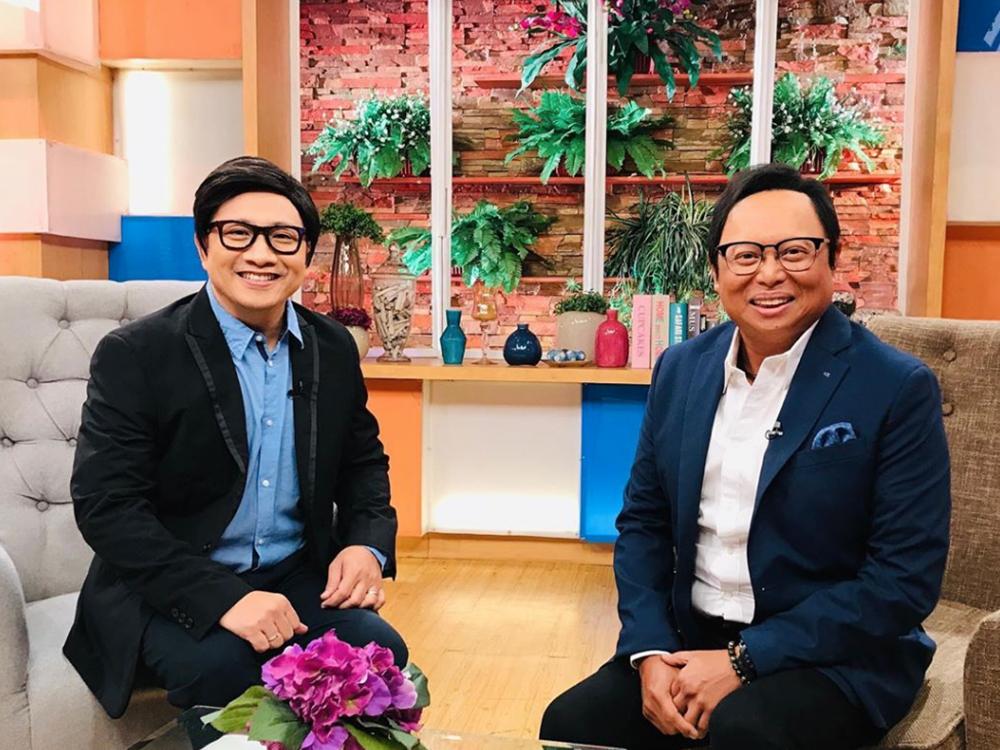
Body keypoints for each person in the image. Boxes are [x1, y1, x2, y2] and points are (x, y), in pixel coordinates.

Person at [540, 163, 950, 750]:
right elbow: (643, 525)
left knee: (745, 731)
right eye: (747, 255)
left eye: (795, 251)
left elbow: (902, 581)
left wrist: (744, 660)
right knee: (572, 724)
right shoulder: (680, 369)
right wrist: (649, 650)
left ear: (832, 259)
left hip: (833, 655)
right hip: (691, 640)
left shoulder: (895, 386)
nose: (771, 273)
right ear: (717, 270)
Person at [64, 156, 407, 718]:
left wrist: (365, 546)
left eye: (283, 237)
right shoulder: (138, 354)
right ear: (203, 247)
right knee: (224, 669)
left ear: (306, 254)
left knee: (378, 654)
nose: (261, 254)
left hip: (294, 572)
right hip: (171, 582)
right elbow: (108, 506)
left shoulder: (332, 347)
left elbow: (363, 463)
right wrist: (224, 598)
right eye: (238, 234)